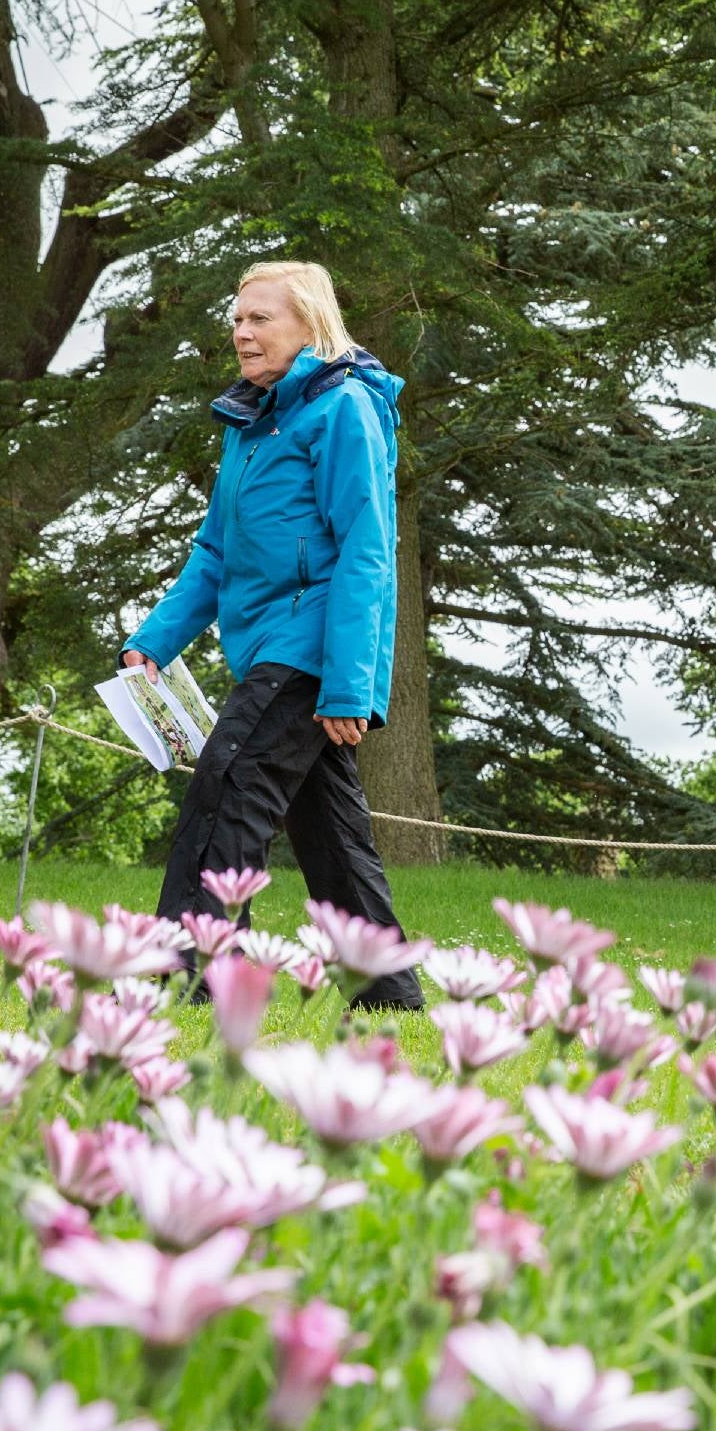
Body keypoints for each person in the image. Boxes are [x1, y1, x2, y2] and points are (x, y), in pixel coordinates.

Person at [121, 261, 423, 1010]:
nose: (241, 331)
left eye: (260, 318)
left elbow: (366, 548)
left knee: (226, 789)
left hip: (310, 648)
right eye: (236, 319)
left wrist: (352, 683)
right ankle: (386, 991)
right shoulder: (252, 424)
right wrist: (154, 641)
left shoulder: (344, 406)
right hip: (268, 649)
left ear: (310, 324)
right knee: (329, 832)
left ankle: (191, 977)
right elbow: (215, 552)